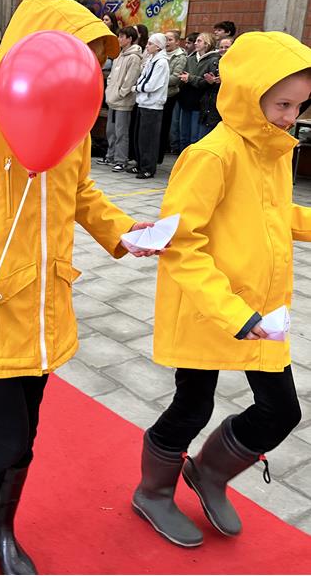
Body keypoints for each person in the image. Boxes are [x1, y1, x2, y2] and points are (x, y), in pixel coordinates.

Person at [0, 0, 163, 576]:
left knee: (28, 435)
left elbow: (82, 195)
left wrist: (125, 232)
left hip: (45, 312)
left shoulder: (73, 125)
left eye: (93, 64)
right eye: (78, 57)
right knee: (8, 436)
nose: (84, 76)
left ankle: (2, 526)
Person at [132, 31, 311, 549]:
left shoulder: (275, 151)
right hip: (213, 308)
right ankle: (153, 492)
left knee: (281, 410)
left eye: (298, 106)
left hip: (261, 307)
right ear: (249, 92)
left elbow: (275, 215)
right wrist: (233, 312)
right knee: (194, 407)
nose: (290, 117)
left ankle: (208, 473)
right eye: (282, 104)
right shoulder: (211, 155)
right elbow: (180, 244)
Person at [127, 33, 170, 179]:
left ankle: (148, 168)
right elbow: (143, 76)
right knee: (139, 136)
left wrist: (137, 88)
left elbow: (152, 84)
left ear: (158, 46)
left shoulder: (161, 62)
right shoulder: (152, 59)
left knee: (149, 139)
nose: (147, 46)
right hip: (143, 103)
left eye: (151, 44)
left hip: (153, 106)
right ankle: (140, 163)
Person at [101, 25, 142, 171]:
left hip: (123, 102)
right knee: (110, 130)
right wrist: (109, 91)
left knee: (121, 132)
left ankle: (121, 159)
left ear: (130, 39)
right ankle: (110, 155)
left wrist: (120, 93)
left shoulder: (134, 57)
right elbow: (111, 76)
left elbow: (130, 79)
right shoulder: (119, 55)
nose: (119, 39)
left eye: (122, 37)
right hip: (112, 99)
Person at [177, 32, 218, 151]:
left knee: (194, 137)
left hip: (199, 102)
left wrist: (190, 78)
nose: (195, 43)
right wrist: (185, 78)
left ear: (207, 44)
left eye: (199, 41)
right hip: (186, 99)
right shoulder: (190, 58)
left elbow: (208, 82)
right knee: (183, 134)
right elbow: (183, 74)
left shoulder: (213, 60)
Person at [160, 30, 187, 160]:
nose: (167, 42)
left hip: (169, 95)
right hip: (157, 94)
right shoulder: (161, 53)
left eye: (170, 40)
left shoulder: (180, 57)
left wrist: (157, 80)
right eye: (165, 39)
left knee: (164, 125)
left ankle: (160, 153)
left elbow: (176, 78)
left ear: (177, 42)